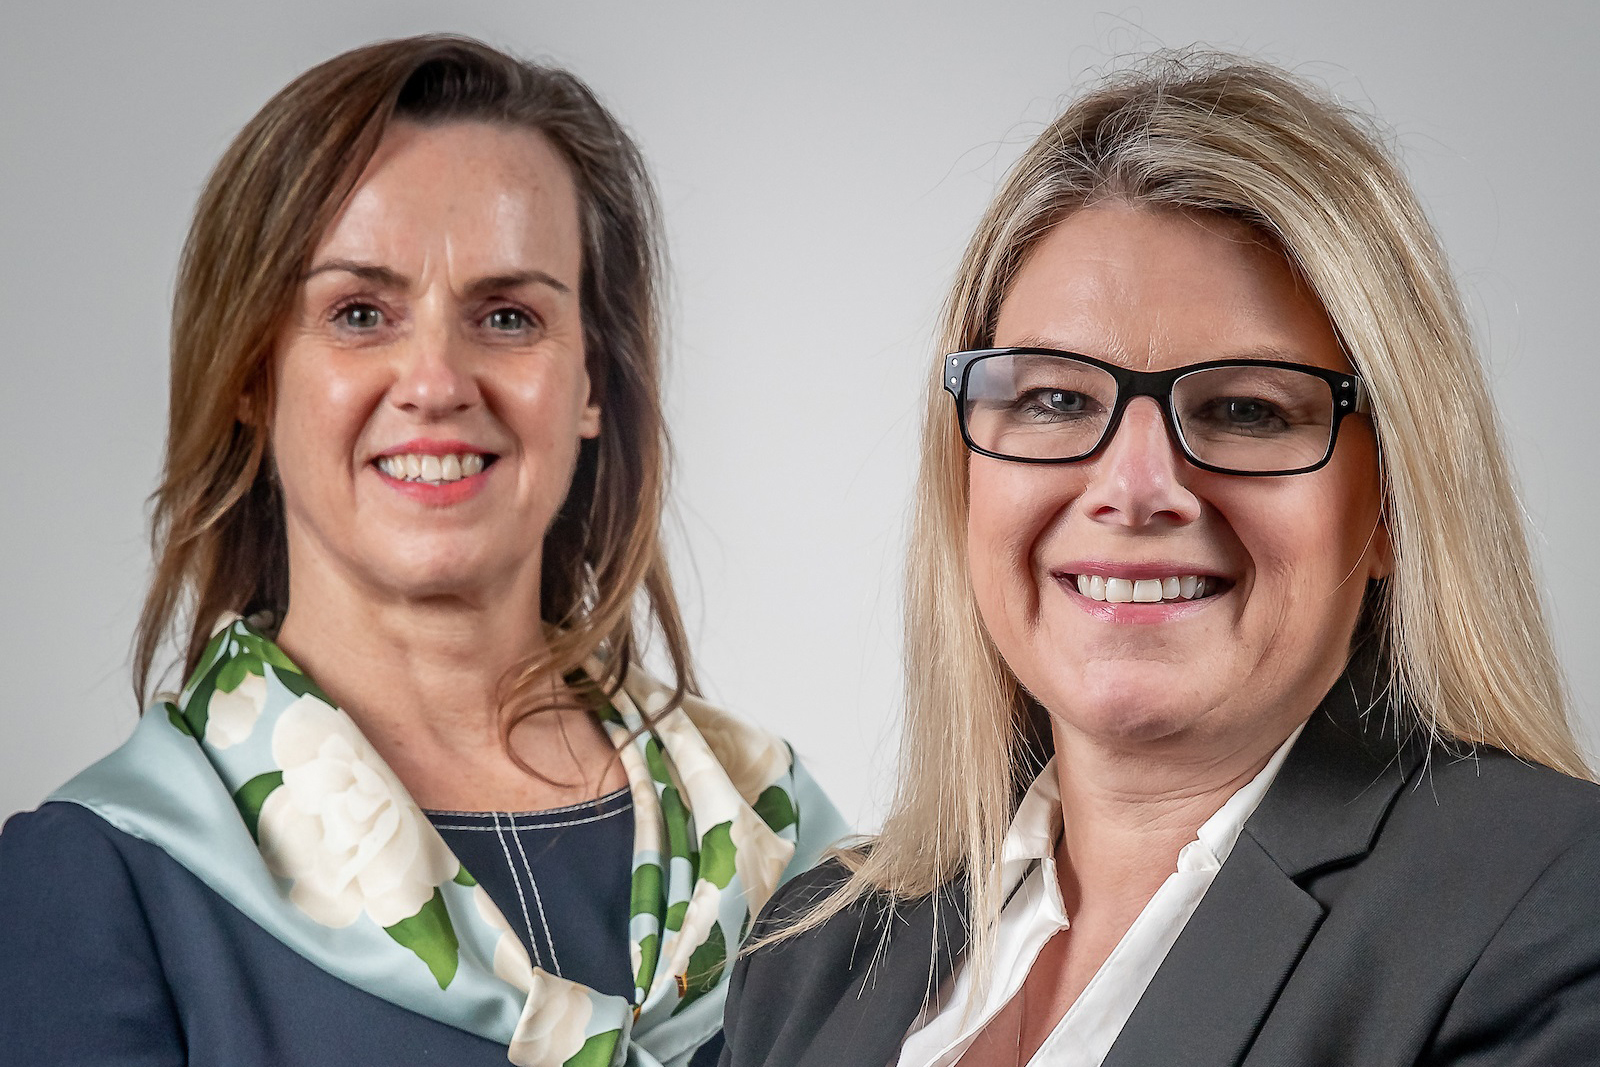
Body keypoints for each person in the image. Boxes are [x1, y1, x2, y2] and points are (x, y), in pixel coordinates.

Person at [720, 54, 1600, 1067]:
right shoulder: (815, 952)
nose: (1134, 487)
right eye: (1054, 399)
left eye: (1244, 409)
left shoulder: (1547, 913)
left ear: (1394, 498)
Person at [0, 35, 844, 1067]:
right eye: (360, 313)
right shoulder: (102, 881)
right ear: (254, 381)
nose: (436, 379)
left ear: (589, 381)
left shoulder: (787, 847)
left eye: (506, 314)